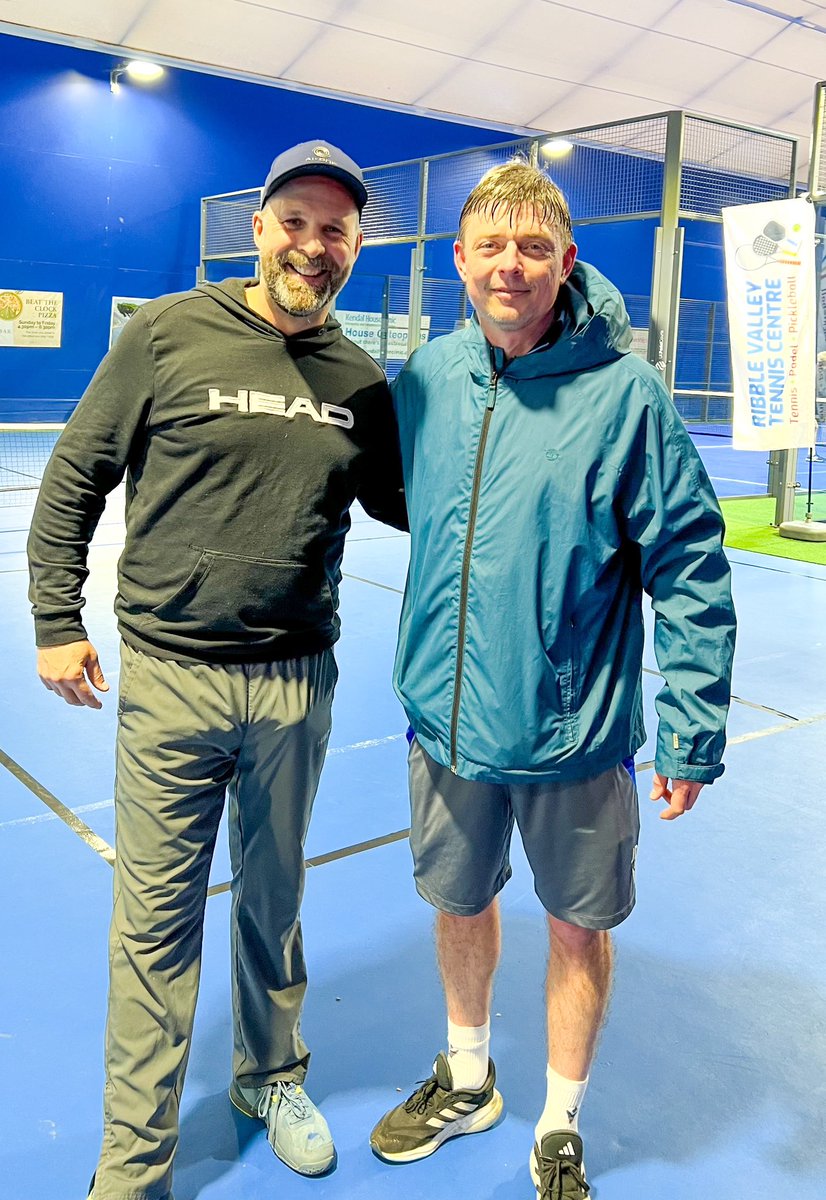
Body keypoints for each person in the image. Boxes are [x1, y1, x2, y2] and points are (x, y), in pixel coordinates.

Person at [27, 139, 406, 1200]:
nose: (314, 245)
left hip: (295, 683)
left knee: (273, 898)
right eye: (297, 222)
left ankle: (270, 1075)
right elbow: (74, 479)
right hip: (171, 680)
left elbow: (415, 505)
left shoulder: (358, 379)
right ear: (260, 227)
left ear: (354, 246)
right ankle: (133, 1162)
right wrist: (58, 617)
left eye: (335, 230)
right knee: (155, 921)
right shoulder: (168, 333)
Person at [369, 160, 736, 1198]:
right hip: (444, 725)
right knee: (457, 899)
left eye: (534, 247)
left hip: (574, 732)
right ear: (459, 260)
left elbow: (691, 565)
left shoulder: (625, 396)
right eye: (491, 246)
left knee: (577, 926)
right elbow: (416, 500)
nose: (511, 266)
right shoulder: (430, 376)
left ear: (565, 261)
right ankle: (468, 1074)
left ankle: (560, 1122)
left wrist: (691, 726)